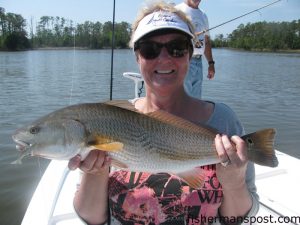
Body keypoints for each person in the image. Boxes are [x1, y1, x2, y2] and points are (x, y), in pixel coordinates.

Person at [68, 1, 258, 224]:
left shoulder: (224, 121)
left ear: (189, 54)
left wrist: (234, 183)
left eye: (177, 48)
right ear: (137, 57)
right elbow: (92, 219)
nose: (165, 59)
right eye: (150, 49)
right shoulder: (109, 120)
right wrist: (95, 174)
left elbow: (238, 219)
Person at [176, 0, 215, 99]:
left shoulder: (203, 15)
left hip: (198, 63)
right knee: (182, 100)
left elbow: (206, 41)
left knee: (196, 101)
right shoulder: (177, 10)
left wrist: (211, 63)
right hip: (183, 60)